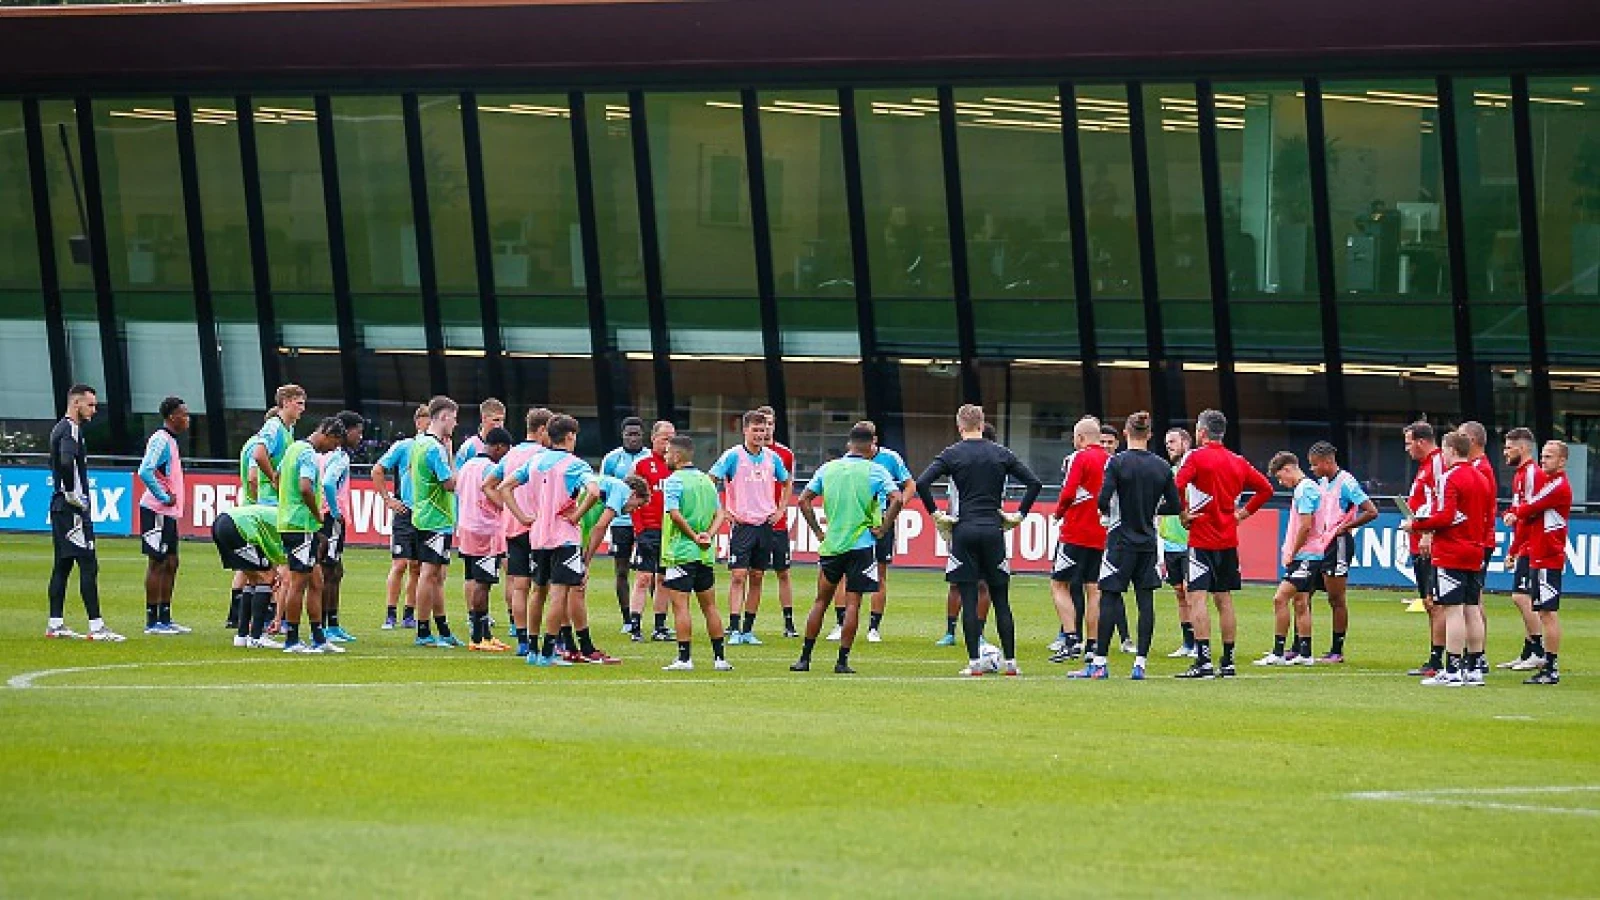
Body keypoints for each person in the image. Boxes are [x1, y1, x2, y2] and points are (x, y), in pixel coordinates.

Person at [915, 405, 1043, 677]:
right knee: (1001, 599)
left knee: (969, 597)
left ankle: (974, 663)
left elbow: (922, 483)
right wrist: (1019, 515)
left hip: (964, 529)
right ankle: (1011, 663)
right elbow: (1034, 483)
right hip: (993, 529)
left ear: (959, 426)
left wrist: (936, 514)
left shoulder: (952, 454)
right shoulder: (1000, 453)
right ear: (983, 424)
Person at [1068, 411, 1179, 680]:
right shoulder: (1162, 467)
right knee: (1145, 600)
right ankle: (1140, 663)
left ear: (1126, 433)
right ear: (1150, 435)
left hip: (1120, 539)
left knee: (1110, 596)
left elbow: (1103, 499)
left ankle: (1100, 663)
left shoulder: (1116, 463)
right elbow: (1175, 505)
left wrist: (1107, 514)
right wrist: (1153, 509)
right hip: (1148, 542)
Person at [792, 423, 904, 674]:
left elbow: (803, 500)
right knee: (853, 603)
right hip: (862, 545)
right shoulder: (875, 471)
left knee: (821, 600)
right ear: (870, 446)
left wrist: (818, 532)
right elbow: (898, 498)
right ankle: (841, 662)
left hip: (833, 544)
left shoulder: (828, 468)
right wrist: (884, 527)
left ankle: (804, 658)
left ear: (848, 444)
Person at [503, 414, 611, 666]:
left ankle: (531, 650)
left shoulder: (536, 461)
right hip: (563, 537)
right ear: (570, 436)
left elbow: (505, 487)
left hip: (538, 535)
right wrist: (576, 515)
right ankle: (549, 652)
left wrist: (522, 516)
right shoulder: (575, 464)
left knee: (537, 591)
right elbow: (594, 491)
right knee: (558, 594)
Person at [1174, 409, 1273, 679]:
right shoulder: (1237, 461)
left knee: (1197, 598)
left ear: (1202, 432)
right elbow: (1266, 489)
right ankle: (1227, 662)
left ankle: (1203, 661)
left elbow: (1177, 485)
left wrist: (1183, 513)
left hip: (1202, 538)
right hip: (1227, 538)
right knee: (1225, 600)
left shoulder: (1195, 457)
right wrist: (1242, 514)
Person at [1402, 430, 1494, 686]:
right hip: (1476, 548)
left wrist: (1417, 525)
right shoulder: (1482, 477)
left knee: (1453, 611)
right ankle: (1474, 668)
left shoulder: (1448, 478)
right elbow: (1486, 516)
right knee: (1473, 609)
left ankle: (1453, 670)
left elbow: (1446, 516)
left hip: (1452, 550)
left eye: (1444, 451)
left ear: (1451, 450)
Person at [45, 384, 123, 642]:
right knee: (89, 564)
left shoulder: (59, 428)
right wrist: (72, 495)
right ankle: (97, 627)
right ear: (76, 403)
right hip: (71, 510)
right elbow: (66, 461)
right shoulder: (70, 429)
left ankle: (55, 624)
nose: (94, 409)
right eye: (90, 404)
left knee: (63, 564)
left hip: (59, 507)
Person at [709, 410, 792, 645]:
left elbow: (787, 482)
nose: (759, 434)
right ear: (744, 430)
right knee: (738, 576)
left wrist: (780, 510)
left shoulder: (772, 458)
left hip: (765, 524)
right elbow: (711, 480)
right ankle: (734, 627)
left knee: (757, 576)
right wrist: (724, 511)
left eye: (762, 430)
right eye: (754, 430)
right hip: (743, 525)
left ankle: (747, 629)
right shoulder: (732, 456)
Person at [657, 434, 734, 672]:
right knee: (710, 606)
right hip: (704, 554)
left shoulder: (673, 481)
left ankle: (684, 658)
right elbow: (720, 514)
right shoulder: (706, 481)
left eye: (668, 452)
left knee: (681, 607)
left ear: (678, 456)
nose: (666, 456)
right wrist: (708, 536)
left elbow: (675, 513)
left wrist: (693, 536)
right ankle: (720, 659)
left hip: (680, 552)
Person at [276, 416, 346, 653]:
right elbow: (306, 487)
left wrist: (286, 501)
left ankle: (318, 637)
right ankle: (292, 639)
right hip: (301, 526)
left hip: (294, 522)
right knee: (299, 582)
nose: (332, 449)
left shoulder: (292, 449)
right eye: (334, 443)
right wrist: (316, 515)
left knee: (317, 580)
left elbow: (276, 478)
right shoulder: (307, 454)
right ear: (327, 434)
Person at [485, 407, 552, 655]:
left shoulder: (511, 455)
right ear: (543, 430)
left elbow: (488, 485)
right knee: (546, 587)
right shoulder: (545, 455)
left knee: (519, 585)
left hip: (514, 528)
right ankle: (549, 638)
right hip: (538, 528)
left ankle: (522, 639)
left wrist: (509, 509)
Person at [1306, 441, 1378, 663]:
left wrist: (1345, 527)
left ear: (1328, 462)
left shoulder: (1347, 483)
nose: (1313, 469)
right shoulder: (1323, 482)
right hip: (1319, 544)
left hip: (1337, 545)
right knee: (1303, 593)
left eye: (1315, 465)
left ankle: (1337, 650)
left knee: (1336, 598)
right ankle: (1301, 646)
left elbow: (1371, 511)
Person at [1050, 417, 1109, 664]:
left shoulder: (1080, 458)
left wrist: (1059, 512)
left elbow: (1069, 490)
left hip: (1075, 531)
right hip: (1101, 533)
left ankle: (1071, 639)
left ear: (1081, 438)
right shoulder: (1111, 460)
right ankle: (1093, 645)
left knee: (1059, 584)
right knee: (1094, 588)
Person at [1511, 440, 1570, 685]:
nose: (1543, 460)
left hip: (1548, 556)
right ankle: (1546, 662)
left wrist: (1514, 513)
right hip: (1539, 554)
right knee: (1543, 611)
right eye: (1543, 456)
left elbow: (1530, 506)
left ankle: (1551, 667)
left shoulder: (1558, 485)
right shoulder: (1548, 482)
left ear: (1562, 461)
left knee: (1548, 613)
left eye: (1549, 457)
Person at [1256, 452, 1322, 667]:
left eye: (1280, 477)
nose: (1281, 482)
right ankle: (1305, 653)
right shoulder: (1306, 488)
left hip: (1306, 555)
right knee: (1301, 602)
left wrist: (1292, 552)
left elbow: (1305, 525)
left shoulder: (1305, 489)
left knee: (1280, 599)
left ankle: (1278, 652)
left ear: (1287, 469)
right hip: (1308, 553)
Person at [409, 396, 462, 648]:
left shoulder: (421, 443)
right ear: (443, 417)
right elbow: (450, 484)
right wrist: (452, 459)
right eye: (453, 417)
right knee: (430, 574)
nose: (455, 423)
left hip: (426, 515)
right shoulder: (434, 448)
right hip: (435, 517)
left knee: (437, 575)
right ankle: (422, 630)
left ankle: (442, 629)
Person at [935, 423, 994, 650]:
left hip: (978, 528)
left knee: (981, 583)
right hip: (965, 527)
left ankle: (976, 633)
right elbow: (952, 498)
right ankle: (951, 631)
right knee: (958, 582)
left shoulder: (994, 464)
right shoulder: (959, 463)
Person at [455, 426, 513, 652]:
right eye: (505, 451)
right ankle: (478, 636)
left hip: (467, 528)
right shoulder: (491, 468)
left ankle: (485, 634)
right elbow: (498, 499)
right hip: (486, 531)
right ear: (498, 447)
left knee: (473, 578)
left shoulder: (467, 466)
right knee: (483, 584)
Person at [372, 404, 429, 630]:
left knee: (417, 566)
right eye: (426, 420)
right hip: (405, 512)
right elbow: (377, 469)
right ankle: (390, 613)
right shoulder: (404, 446)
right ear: (418, 423)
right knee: (399, 564)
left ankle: (409, 613)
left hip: (425, 515)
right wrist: (388, 499)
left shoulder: (438, 448)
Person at [137, 396, 190, 636]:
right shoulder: (160, 440)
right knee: (157, 562)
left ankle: (165, 617)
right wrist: (163, 495)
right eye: (184, 414)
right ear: (172, 417)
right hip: (156, 509)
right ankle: (152, 620)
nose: (187, 419)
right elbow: (145, 470)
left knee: (171, 562)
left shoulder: (170, 441)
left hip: (167, 512)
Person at [1499, 428, 1550, 671]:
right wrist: (1510, 514)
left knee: (1521, 596)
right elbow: (1519, 510)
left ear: (1523, 448)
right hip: (1525, 543)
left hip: (1531, 544)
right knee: (1524, 596)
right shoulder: (1521, 474)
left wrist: (1516, 547)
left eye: (1509, 447)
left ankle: (1538, 650)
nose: (1505, 452)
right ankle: (1528, 650)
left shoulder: (1531, 474)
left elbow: (1532, 512)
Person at [858, 425, 913, 643]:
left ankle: (873, 627)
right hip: (856, 520)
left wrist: (896, 508)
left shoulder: (890, 458)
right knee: (846, 572)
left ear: (875, 440)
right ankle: (841, 622)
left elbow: (910, 484)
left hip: (882, 518)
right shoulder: (850, 460)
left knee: (879, 572)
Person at [1402, 421, 1449, 677]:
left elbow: (1441, 502)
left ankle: (1438, 658)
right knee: (1430, 602)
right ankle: (1435, 657)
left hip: (1429, 542)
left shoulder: (1438, 463)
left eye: (1409, 443)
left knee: (1436, 602)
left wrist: (1429, 533)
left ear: (1421, 441)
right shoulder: (1425, 466)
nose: (1407, 449)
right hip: (1418, 540)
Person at [626, 421, 677, 642]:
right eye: (665, 438)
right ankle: (635, 624)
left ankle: (660, 625)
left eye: (672, 439)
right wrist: (639, 530)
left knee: (664, 578)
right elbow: (632, 497)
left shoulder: (676, 466)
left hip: (669, 531)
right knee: (643, 577)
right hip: (648, 529)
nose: (668, 443)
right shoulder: (643, 465)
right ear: (654, 439)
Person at [316, 410, 364, 643]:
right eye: (358, 431)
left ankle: (330, 623)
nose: (360, 437)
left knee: (334, 570)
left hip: (320, 516)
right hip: (329, 519)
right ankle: (327, 625)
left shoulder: (321, 453)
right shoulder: (339, 456)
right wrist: (335, 512)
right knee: (330, 570)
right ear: (346, 431)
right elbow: (327, 483)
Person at [601, 416, 650, 629]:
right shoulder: (612, 459)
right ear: (623, 435)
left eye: (636, 434)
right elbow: (602, 488)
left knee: (651, 571)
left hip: (646, 521)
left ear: (643, 436)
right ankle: (627, 618)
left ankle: (657, 620)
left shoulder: (650, 457)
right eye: (629, 434)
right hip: (621, 522)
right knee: (621, 570)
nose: (633, 438)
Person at [755, 406, 800, 637]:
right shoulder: (745, 454)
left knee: (783, 572)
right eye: (763, 425)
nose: (767, 429)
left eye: (771, 424)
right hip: (753, 521)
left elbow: (788, 485)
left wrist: (781, 511)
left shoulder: (785, 454)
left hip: (777, 522)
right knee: (753, 574)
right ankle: (742, 625)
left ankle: (789, 623)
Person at [216, 503, 286, 649]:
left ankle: (242, 636)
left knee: (253, 579)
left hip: (222, 522)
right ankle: (257, 637)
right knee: (266, 577)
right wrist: (278, 618)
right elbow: (283, 576)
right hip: (239, 528)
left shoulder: (283, 516)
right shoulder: (292, 531)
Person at [1459, 420, 1498, 674]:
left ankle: (1477, 654)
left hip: (1477, 540)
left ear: (1472, 440)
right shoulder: (1477, 466)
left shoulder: (1480, 469)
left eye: (1462, 436)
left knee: (1472, 600)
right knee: (1472, 599)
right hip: (1479, 539)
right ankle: (1475, 653)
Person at [1160, 428, 1195, 658]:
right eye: (1166, 442)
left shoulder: (1194, 472)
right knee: (1179, 592)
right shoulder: (1168, 472)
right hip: (1171, 542)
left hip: (1190, 542)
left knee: (1192, 593)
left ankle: (1200, 642)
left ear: (1186, 442)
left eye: (1172, 441)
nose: (1169, 446)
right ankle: (1187, 643)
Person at [454, 397, 506, 468]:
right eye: (496, 420)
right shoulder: (468, 448)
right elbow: (459, 476)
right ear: (484, 418)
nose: (500, 425)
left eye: (502, 420)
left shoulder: (506, 447)